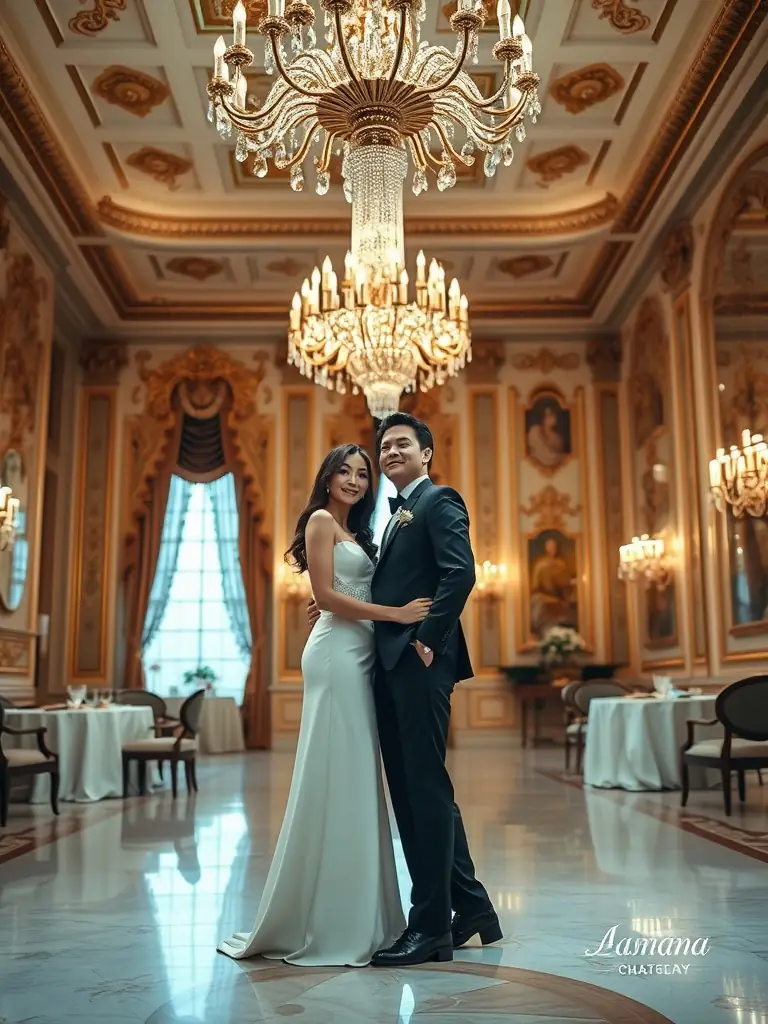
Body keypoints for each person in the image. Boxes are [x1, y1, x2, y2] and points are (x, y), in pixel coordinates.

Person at [218, 443, 432, 967]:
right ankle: (331, 919)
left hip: (359, 655)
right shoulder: (318, 521)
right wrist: (398, 615)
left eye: (363, 474)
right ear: (328, 476)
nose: (355, 481)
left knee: (356, 775)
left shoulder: (358, 534)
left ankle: (361, 911)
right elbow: (329, 597)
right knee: (338, 771)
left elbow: (345, 589)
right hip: (336, 655)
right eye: (345, 471)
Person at [309, 413, 500, 967]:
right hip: (388, 665)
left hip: (418, 662)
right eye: (384, 446)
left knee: (424, 791)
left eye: (401, 445)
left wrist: (428, 639)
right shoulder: (393, 516)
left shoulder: (439, 500)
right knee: (419, 789)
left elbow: (459, 573)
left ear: (426, 453)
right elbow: (381, 582)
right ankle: (473, 908)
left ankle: (432, 926)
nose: (390, 452)